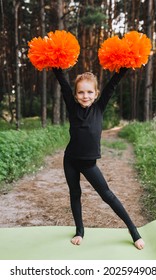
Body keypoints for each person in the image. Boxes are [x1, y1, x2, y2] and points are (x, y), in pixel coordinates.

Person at [53, 67, 145, 250]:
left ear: (96, 94)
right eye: (80, 92)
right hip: (70, 160)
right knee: (75, 194)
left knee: (107, 195)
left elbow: (112, 84)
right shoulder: (72, 107)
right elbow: (63, 85)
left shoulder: (99, 108)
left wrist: (124, 66)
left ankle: (134, 231)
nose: (85, 96)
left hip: (89, 164)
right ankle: (79, 231)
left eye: (89, 92)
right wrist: (55, 65)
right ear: (76, 94)